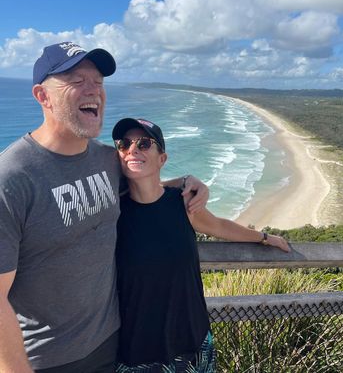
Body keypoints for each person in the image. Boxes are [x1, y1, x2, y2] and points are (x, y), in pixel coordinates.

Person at [0, 42, 208, 373]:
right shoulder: (12, 177)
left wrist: (185, 182)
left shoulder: (105, 160)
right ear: (43, 96)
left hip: (114, 344)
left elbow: (143, 183)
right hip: (48, 360)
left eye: (98, 81)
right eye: (76, 80)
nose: (93, 90)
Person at [112, 118, 291, 372]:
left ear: (162, 159)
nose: (133, 149)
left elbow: (219, 226)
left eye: (143, 143)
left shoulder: (182, 204)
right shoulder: (112, 213)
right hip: (136, 353)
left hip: (192, 343)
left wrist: (265, 238)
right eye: (124, 144)